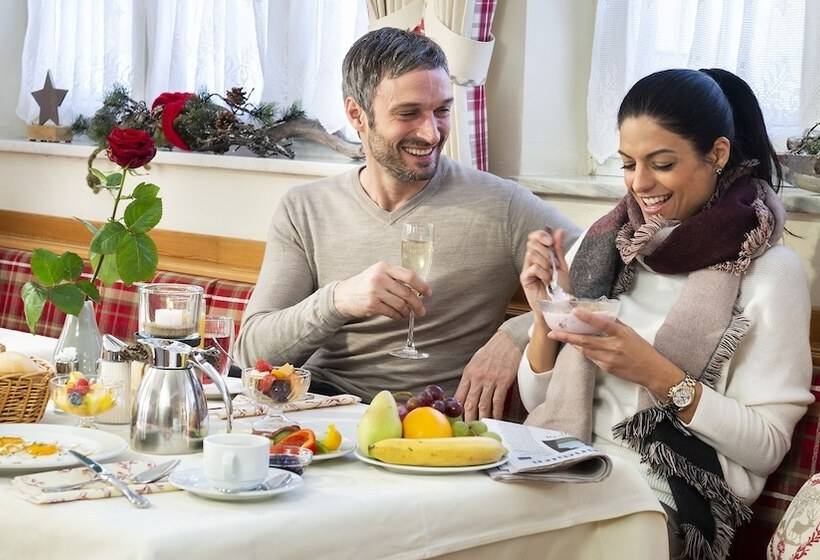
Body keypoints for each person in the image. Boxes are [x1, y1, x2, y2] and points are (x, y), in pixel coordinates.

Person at [518, 69, 812, 560]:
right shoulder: (606, 247)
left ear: (717, 154)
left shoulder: (768, 272)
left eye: (661, 163)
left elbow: (766, 446)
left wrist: (657, 374)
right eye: (628, 164)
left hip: (659, 504)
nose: (639, 183)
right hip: (560, 470)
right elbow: (538, 398)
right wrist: (545, 314)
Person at [234, 27, 579, 419]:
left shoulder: (503, 205)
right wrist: (338, 300)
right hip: (324, 416)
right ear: (356, 115)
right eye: (409, 113)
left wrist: (518, 334)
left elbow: (599, 264)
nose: (431, 132)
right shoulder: (304, 208)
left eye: (442, 110)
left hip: (434, 427)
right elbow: (250, 354)